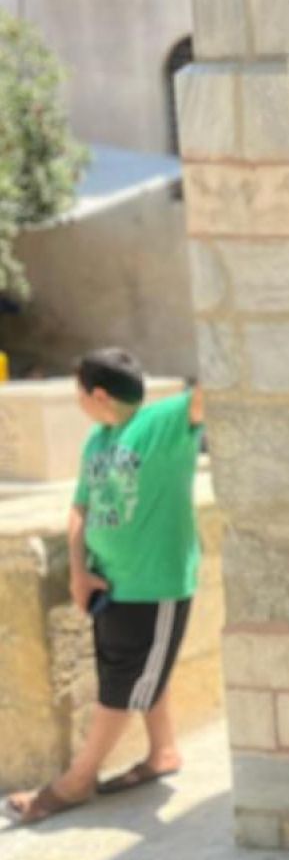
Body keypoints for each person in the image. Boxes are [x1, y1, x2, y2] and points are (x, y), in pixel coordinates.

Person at [6, 349, 203, 823]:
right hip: (106, 584)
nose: (77, 400)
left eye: (78, 391)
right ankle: (163, 752)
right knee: (137, 674)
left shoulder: (164, 422)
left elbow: (210, 390)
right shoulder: (97, 439)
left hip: (153, 586)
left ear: (98, 395)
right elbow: (80, 507)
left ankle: (75, 782)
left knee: (121, 687)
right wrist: (79, 572)